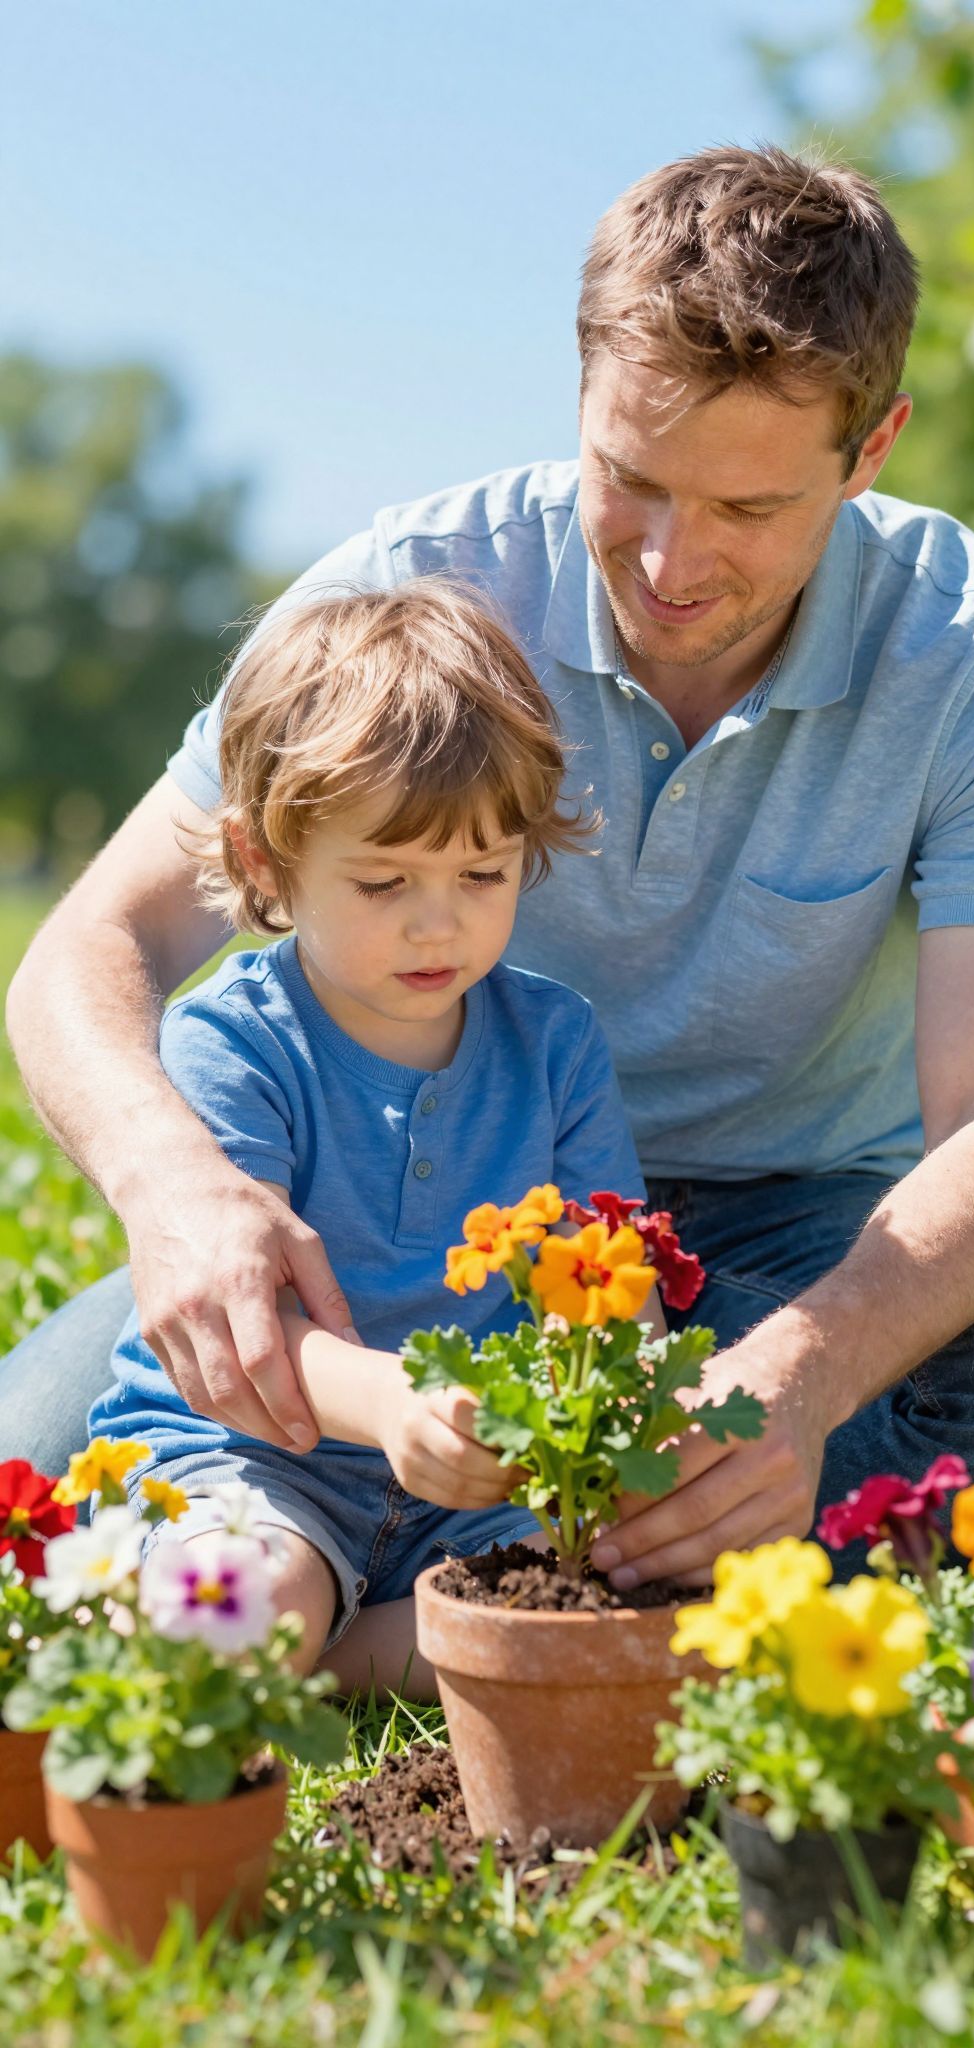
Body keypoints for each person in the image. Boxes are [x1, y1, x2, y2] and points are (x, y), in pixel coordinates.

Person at [5, 144, 974, 1591]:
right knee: (34, 1462)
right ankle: (548, 1541)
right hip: (402, 1213)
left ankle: (518, 1544)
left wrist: (805, 1372)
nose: (671, 563)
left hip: (807, 1222)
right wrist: (174, 1187)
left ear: (871, 452)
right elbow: (93, 946)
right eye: (631, 480)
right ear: (584, 395)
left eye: (749, 510)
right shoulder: (413, 588)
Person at [86, 579, 648, 1693]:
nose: (439, 921)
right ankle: (288, 1637)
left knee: (629, 1598)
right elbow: (244, 1324)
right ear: (264, 862)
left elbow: (608, 1287)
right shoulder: (234, 1043)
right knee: (243, 1605)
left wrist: (611, 1418)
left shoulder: (556, 1043)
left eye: (483, 873)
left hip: (474, 1486)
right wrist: (393, 1405)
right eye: (384, 881)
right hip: (259, 1454)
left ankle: (339, 1658)